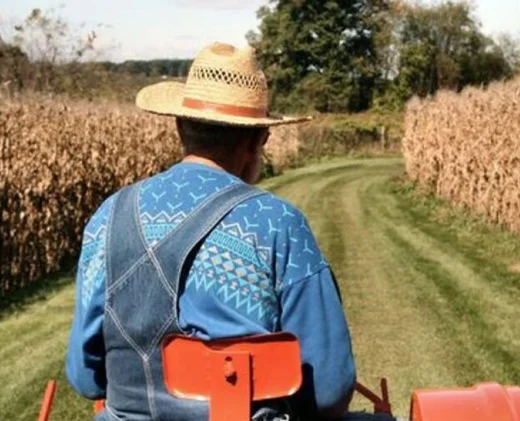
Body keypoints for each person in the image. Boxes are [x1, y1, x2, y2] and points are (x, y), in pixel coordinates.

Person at [65, 42, 357, 421]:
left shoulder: (108, 216)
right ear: (258, 140)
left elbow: (85, 378)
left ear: (180, 126)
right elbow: (330, 390)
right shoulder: (276, 223)